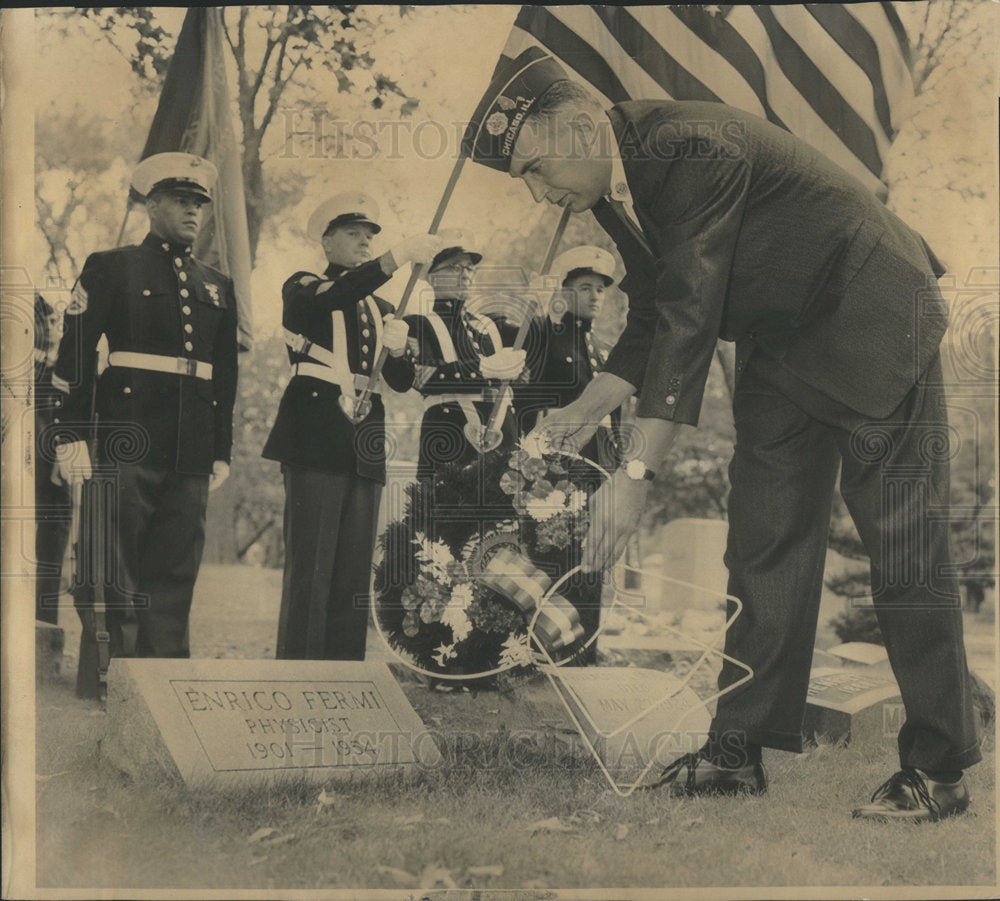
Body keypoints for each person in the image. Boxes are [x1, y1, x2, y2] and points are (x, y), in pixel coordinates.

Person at [462, 47, 981, 821]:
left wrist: (633, 478)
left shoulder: (684, 149)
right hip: (783, 340)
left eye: (537, 168)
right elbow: (653, 310)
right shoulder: (615, 186)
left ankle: (938, 771)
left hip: (872, 314)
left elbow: (690, 318)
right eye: (527, 182)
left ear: (575, 125)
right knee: (763, 540)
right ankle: (739, 750)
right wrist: (583, 410)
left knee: (901, 544)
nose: (542, 195)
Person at [51, 152, 239, 697]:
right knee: (116, 563)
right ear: (150, 205)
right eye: (181, 201)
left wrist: (220, 449)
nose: (193, 212)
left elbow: (224, 377)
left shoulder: (217, 284)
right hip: (124, 436)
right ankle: (110, 680)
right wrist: (69, 436)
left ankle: (166, 684)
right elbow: (76, 357)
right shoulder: (111, 267)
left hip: (190, 445)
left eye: (199, 203)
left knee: (177, 564)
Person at [262, 193, 438, 660]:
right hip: (315, 435)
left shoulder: (382, 307)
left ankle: (343, 674)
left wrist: (400, 349)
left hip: (363, 442)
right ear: (326, 241)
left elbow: (399, 383)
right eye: (353, 235)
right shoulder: (304, 286)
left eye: (370, 237)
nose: (364, 243)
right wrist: (396, 258)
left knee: (353, 570)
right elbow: (338, 294)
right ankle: (299, 673)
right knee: (311, 569)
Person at [519, 246, 624, 663]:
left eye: (600, 289)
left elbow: (615, 418)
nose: (596, 295)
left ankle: (585, 650)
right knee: (553, 558)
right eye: (585, 287)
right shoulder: (544, 333)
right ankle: (545, 653)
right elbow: (523, 397)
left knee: (591, 559)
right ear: (564, 292)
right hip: (556, 466)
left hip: (597, 466)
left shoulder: (600, 347)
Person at [404, 230, 527, 480]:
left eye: (470, 269)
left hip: (503, 437)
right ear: (433, 278)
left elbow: (533, 348)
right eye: (454, 268)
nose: (465, 274)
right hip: (450, 437)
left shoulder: (491, 325)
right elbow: (423, 378)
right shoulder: (418, 324)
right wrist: (482, 369)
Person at [34, 294, 71, 625]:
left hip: (54, 475)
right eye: (47, 321)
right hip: (26, 473)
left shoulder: (67, 370)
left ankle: (45, 629)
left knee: (50, 552)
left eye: (56, 320)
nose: (53, 327)